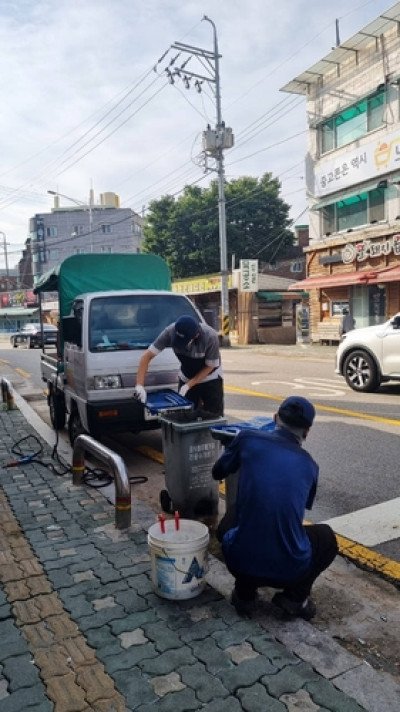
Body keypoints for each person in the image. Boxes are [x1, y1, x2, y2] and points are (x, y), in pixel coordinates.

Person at [212, 395, 338, 620]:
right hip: (289, 570)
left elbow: (217, 472)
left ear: (274, 418)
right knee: (326, 538)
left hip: (238, 561)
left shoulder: (247, 439)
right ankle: (295, 598)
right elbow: (297, 507)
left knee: (234, 515)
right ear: (307, 432)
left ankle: (244, 594)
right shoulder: (310, 465)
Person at [133, 315, 224, 416]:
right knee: (185, 416)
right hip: (186, 375)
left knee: (213, 416)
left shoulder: (210, 337)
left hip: (210, 377)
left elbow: (210, 367)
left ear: (196, 336)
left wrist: (188, 385)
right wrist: (139, 385)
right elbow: (146, 356)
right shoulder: (170, 332)